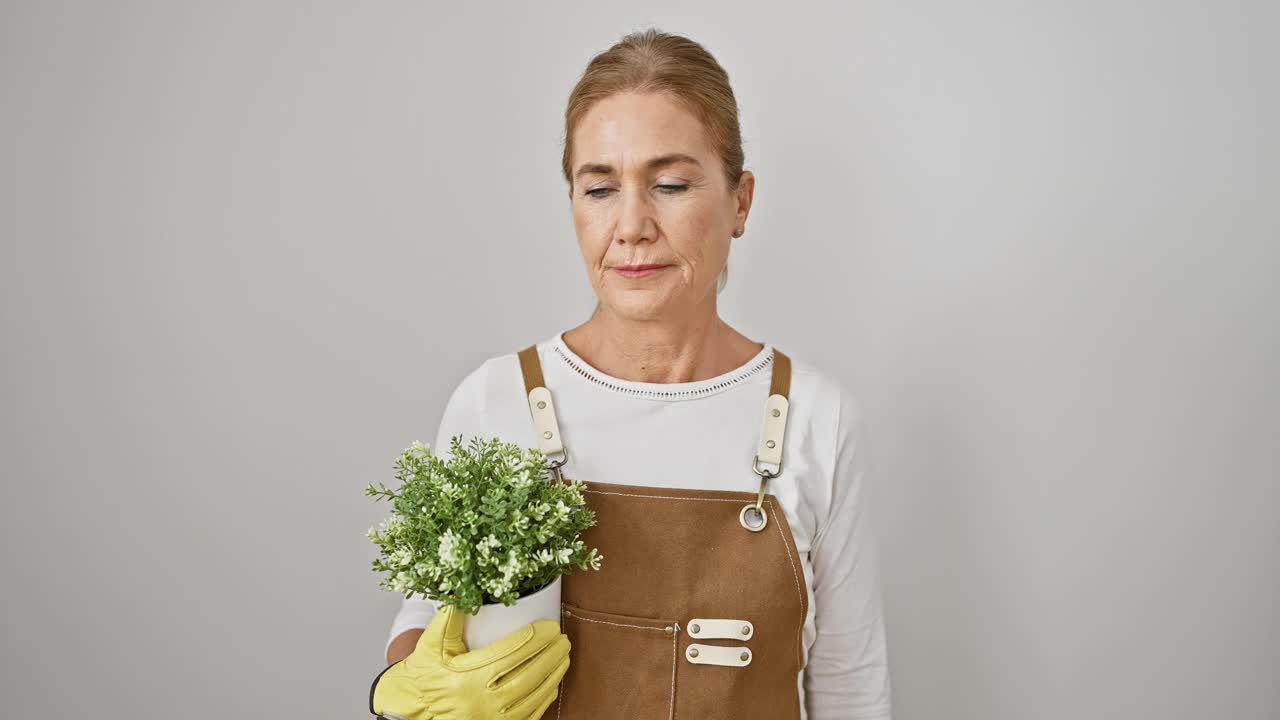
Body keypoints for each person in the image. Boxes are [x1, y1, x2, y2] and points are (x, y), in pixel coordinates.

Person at [372, 27, 893, 720]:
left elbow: (851, 688)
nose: (632, 225)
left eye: (670, 184)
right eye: (598, 189)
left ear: (740, 201)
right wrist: (407, 687)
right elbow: (427, 622)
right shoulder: (496, 400)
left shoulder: (816, 421)